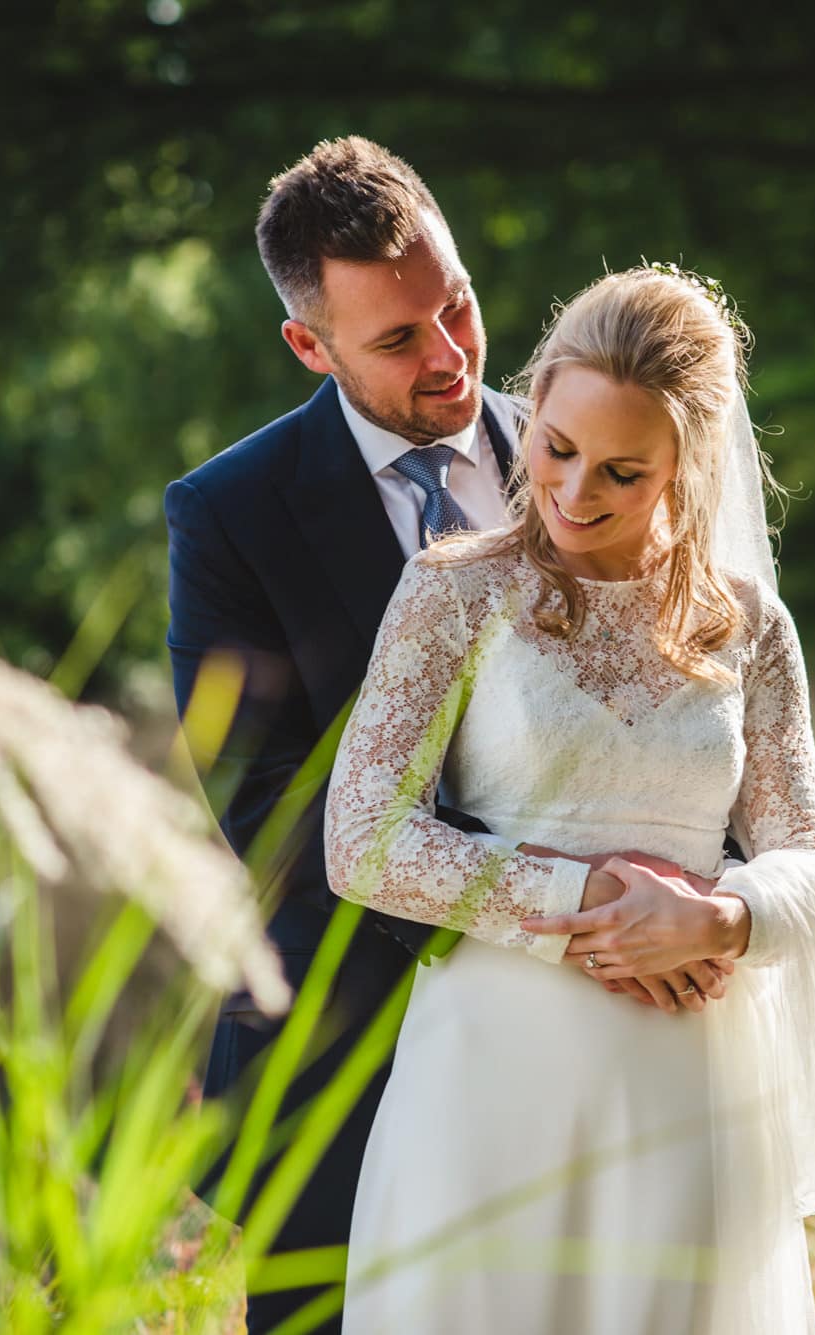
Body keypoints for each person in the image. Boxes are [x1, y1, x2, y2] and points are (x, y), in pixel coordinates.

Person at [165, 138, 733, 1331]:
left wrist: (690, 906)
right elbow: (267, 805)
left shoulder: (599, 447)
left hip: (614, 1053)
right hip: (344, 1052)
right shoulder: (227, 515)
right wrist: (573, 897)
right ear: (307, 347)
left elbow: (692, 722)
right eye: (396, 339)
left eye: (457, 305)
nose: (450, 355)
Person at [322, 266, 815, 1332]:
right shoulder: (455, 592)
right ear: (531, 407)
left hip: (689, 1090)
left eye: (623, 471)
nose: (575, 492)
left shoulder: (749, 625)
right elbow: (360, 840)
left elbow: (808, 862)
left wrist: (721, 917)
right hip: (494, 1073)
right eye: (556, 448)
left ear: (689, 467)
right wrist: (585, 899)